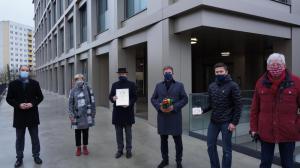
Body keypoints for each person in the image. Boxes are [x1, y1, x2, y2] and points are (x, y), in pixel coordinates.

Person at [250, 53, 300, 168]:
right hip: (266, 130)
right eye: (272, 65)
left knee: (288, 163)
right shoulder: (260, 82)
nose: (275, 67)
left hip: (288, 131)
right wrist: (253, 128)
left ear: (284, 65)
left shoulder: (296, 82)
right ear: (267, 66)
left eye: (279, 64)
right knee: (265, 163)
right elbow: (254, 108)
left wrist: (297, 124)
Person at [203, 62, 242, 168]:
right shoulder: (212, 86)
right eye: (217, 72)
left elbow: (238, 106)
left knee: (226, 150)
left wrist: (234, 122)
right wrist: (201, 111)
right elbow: (211, 104)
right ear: (214, 73)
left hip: (227, 123)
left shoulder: (233, 86)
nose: (219, 73)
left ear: (226, 72)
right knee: (210, 146)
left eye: (221, 71)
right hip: (214, 122)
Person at [6, 65, 44, 168]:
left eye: (27, 70)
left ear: (29, 72)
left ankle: (36, 156)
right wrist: (18, 105)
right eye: (23, 70)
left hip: (32, 115)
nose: (24, 72)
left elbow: (40, 97)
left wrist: (32, 103)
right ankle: (19, 158)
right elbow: (9, 99)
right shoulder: (12, 84)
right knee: (19, 139)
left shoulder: (35, 83)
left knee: (35, 138)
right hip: (19, 116)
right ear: (19, 71)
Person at [151, 66, 188, 168]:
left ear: (173, 73)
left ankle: (179, 161)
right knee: (163, 141)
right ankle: (165, 160)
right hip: (163, 117)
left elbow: (185, 99)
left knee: (178, 141)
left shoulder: (179, 85)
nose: (168, 74)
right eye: (166, 72)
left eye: (170, 72)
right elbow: (153, 98)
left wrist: (174, 107)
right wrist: (159, 106)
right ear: (163, 74)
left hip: (174, 117)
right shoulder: (158, 86)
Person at [109, 68, 137, 159]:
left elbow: (135, 97)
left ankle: (129, 150)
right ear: (118, 75)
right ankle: (119, 150)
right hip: (118, 112)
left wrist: (129, 103)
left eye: (123, 74)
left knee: (128, 133)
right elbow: (110, 96)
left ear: (126, 74)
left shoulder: (132, 84)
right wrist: (113, 98)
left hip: (128, 112)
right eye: (120, 74)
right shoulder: (114, 85)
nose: (122, 75)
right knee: (118, 133)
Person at [68, 74, 96, 156]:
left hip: (87, 114)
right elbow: (70, 103)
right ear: (74, 80)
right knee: (77, 132)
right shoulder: (72, 90)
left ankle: (85, 147)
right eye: (77, 79)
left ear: (83, 79)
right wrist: (71, 114)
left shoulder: (88, 89)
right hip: (76, 114)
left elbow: (92, 100)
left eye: (80, 78)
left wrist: (93, 112)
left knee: (85, 131)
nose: (79, 80)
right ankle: (78, 148)